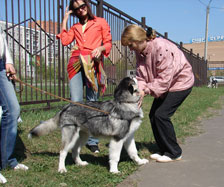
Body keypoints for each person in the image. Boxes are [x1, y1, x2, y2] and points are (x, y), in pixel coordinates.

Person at [121, 25, 194, 162]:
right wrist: (139, 91)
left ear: (138, 40)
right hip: (167, 84)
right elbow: (141, 76)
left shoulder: (161, 47)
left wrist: (146, 90)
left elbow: (164, 80)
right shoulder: (140, 52)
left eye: (131, 45)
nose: (130, 49)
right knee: (153, 115)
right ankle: (164, 150)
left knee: (161, 115)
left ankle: (174, 153)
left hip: (181, 82)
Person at [56, 0, 112, 153]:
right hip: (75, 63)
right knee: (76, 102)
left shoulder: (100, 22)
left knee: (92, 102)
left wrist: (100, 48)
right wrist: (65, 19)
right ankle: (76, 137)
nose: (80, 10)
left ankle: (92, 140)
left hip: (92, 63)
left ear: (87, 5)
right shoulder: (75, 27)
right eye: (76, 9)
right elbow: (65, 40)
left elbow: (108, 43)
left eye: (82, 6)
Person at [0, 32, 29, 177]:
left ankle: (7, 161)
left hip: (0, 65)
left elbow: (1, 37)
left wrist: (8, 61)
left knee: (12, 110)